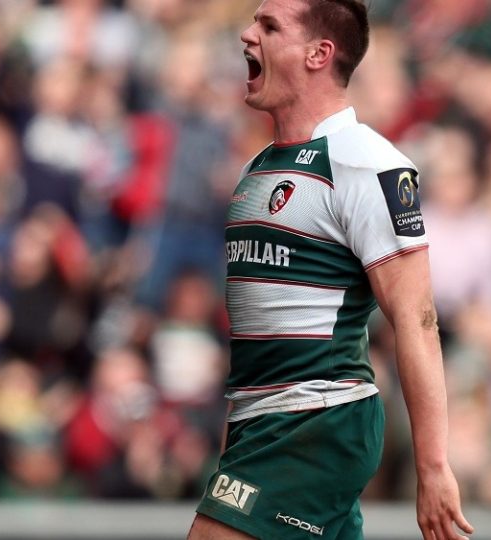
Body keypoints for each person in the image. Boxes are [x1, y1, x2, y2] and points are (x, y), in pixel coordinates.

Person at [188, 1, 473, 539]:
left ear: (319, 54)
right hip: (263, 422)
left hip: (317, 418)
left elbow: (417, 319)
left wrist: (432, 467)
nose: (247, 34)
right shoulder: (257, 166)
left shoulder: (369, 165)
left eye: (269, 25)